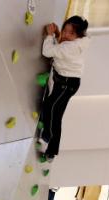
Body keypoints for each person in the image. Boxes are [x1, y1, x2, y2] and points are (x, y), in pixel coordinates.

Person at [38, 16, 89, 160]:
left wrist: (49, 35)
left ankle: (49, 142)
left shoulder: (69, 47)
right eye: (65, 30)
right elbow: (61, 46)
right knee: (53, 109)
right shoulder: (76, 43)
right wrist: (58, 35)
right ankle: (49, 142)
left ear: (78, 35)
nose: (66, 34)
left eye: (70, 33)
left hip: (66, 84)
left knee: (52, 110)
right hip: (67, 82)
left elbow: (48, 51)